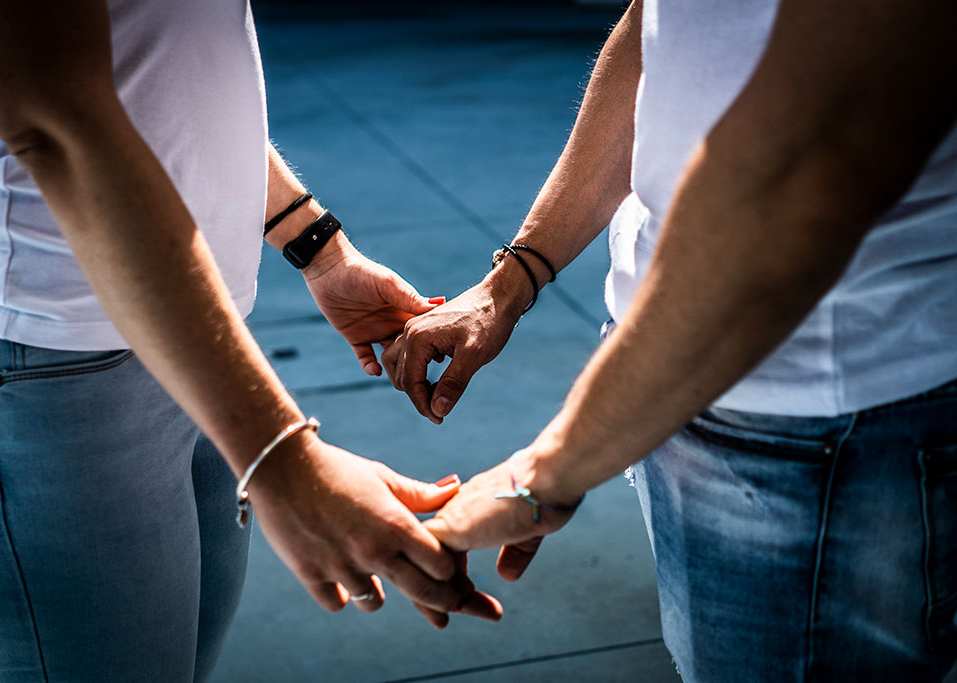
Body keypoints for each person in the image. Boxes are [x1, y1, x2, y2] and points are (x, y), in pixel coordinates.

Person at [385, 0, 957, 680]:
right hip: (701, 379)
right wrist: (513, 278)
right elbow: (661, 28)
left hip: (822, 418)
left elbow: (804, 167)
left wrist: (544, 475)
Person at [0, 1, 500, 681]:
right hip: (37, 357)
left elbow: (159, 59)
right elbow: (59, 118)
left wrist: (317, 245)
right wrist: (280, 455)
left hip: (185, 332)